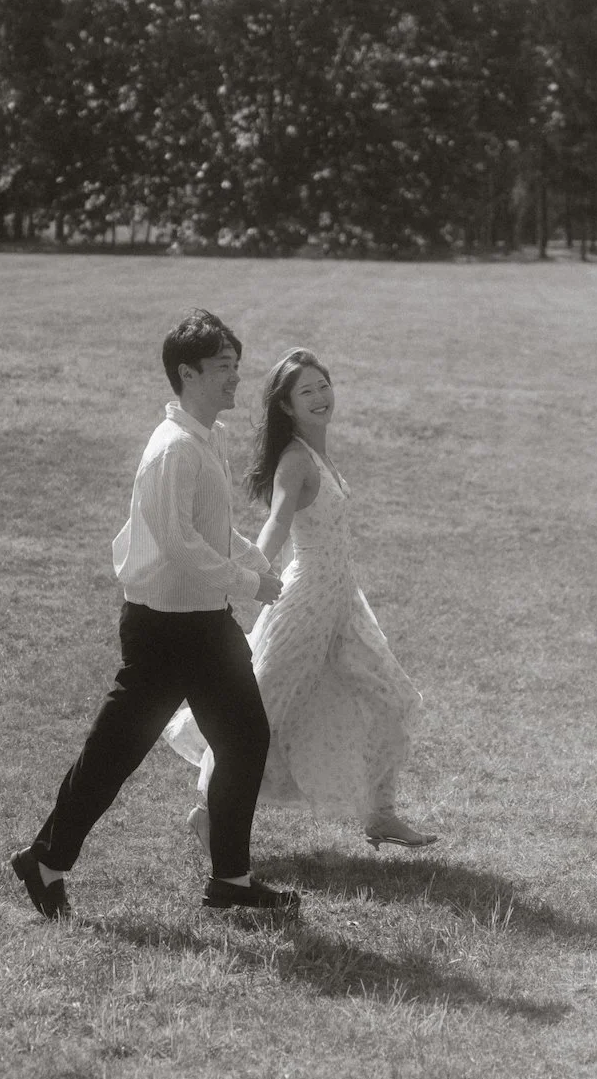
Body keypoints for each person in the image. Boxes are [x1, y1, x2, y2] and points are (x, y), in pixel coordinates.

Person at [10, 310, 300, 919]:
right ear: (186, 373)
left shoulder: (205, 440)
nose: (235, 378)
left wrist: (253, 563)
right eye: (222, 367)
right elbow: (179, 544)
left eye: (236, 366)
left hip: (203, 623)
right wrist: (248, 582)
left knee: (244, 739)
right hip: (167, 629)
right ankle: (45, 860)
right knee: (117, 751)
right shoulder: (173, 450)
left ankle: (231, 880)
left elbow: (210, 530)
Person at [165, 347, 437, 855]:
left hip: (343, 602)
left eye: (323, 385)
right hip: (307, 603)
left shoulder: (318, 453)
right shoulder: (295, 459)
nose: (319, 396)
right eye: (305, 391)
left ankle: (381, 815)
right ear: (287, 406)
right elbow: (277, 522)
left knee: (389, 698)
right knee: (261, 709)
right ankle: (207, 812)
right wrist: (246, 576)